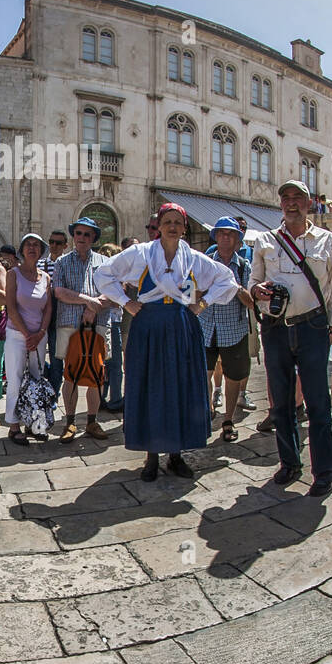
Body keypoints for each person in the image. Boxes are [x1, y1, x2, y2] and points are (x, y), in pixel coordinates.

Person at [98, 203, 238, 480]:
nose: (172, 226)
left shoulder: (194, 259)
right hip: (148, 324)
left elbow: (227, 279)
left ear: (184, 228)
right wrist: (126, 302)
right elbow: (103, 273)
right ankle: (151, 456)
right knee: (150, 385)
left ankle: (175, 454)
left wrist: (204, 302)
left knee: (180, 386)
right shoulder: (140, 254)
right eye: (167, 221)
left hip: (181, 325)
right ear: (158, 226)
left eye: (178, 222)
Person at [245, 182, 332, 497]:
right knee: (281, 403)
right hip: (275, 328)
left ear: (309, 204)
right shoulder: (264, 240)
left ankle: (325, 471)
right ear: (280, 204)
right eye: (286, 198)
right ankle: (290, 463)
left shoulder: (326, 240)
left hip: (313, 327)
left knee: (318, 402)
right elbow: (252, 282)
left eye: (298, 198)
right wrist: (257, 292)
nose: (291, 203)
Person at [49, 220, 114, 441]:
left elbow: (114, 292)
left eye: (87, 234)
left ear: (94, 238)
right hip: (69, 323)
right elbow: (59, 291)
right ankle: (69, 422)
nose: (82, 237)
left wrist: (95, 308)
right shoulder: (63, 262)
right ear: (73, 236)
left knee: (97, 374)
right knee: (71, 374)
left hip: (98, 324)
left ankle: (92, 422)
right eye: (78, 233)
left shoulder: (105, 263)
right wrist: (89, 302)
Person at [195, 218, 253, 442]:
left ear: (238, 239)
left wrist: (236, 287)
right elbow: (194, 293)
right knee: (204, 374)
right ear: (216, 237)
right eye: (221, 233)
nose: (226, 237)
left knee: (233, 377)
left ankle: (228, 420)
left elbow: (251, 302)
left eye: (231, 234)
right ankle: (208, 409)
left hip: (233, 329)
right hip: (207, 327)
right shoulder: (205, 262)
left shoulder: (243, 266)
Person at [1, 234, 55, 443]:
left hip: (39, 336)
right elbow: (11, 307)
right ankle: (14, 426)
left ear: (41, 251)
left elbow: (48, 308)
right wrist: (26, 335)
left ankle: (34, 423)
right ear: (22, 250)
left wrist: (40, 333)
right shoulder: (13, 275)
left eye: (36, 245)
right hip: (17, 335)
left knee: (37, 379)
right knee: (14, 379)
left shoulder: (46, 278)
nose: (32, 248)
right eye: (28, 245)